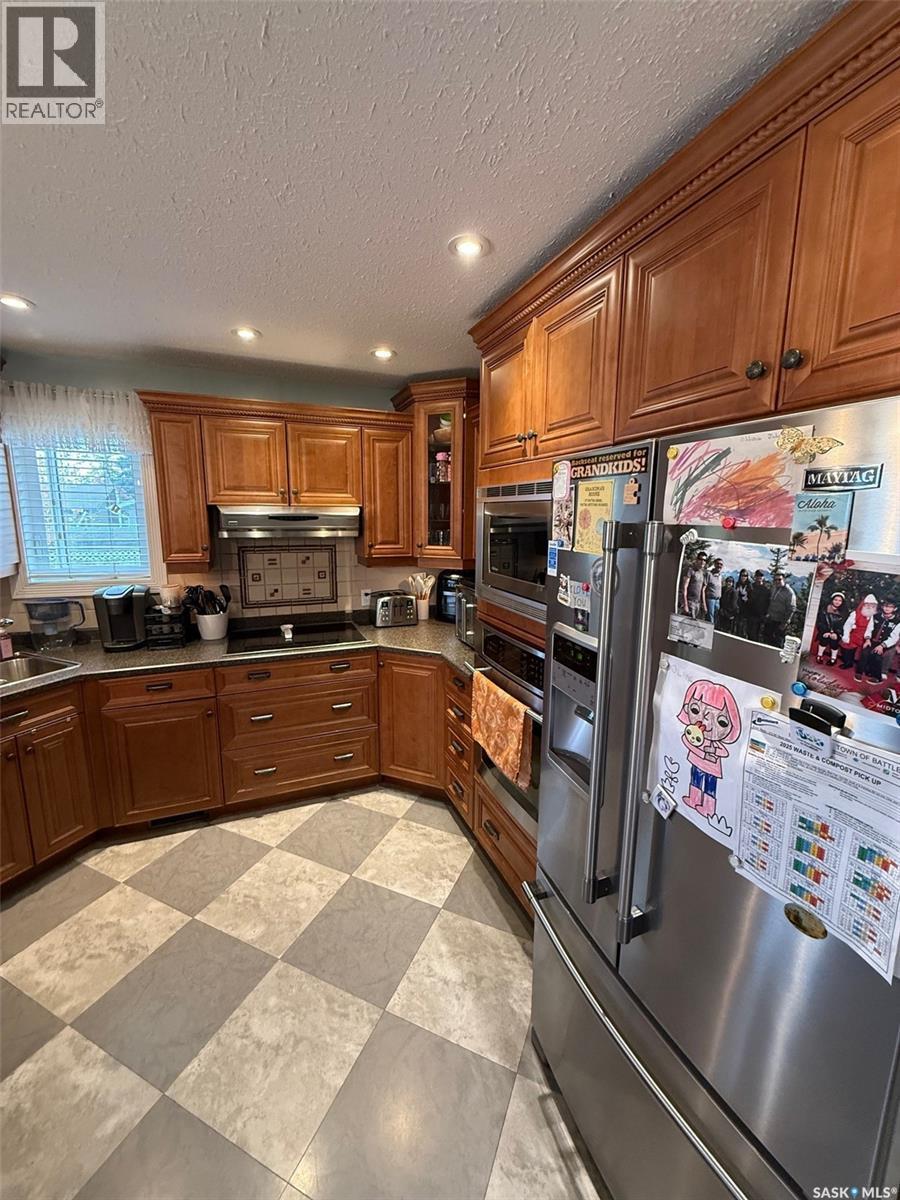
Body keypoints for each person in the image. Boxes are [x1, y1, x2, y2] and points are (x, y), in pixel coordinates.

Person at [856, 596, 900, 683]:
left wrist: (882, 646)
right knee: (865, 652)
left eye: (890, 607)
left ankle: (877, 677)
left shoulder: (897, 621)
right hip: (872, 640)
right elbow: (869, 629)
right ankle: (859, 672)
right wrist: (867, 639)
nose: (887, 608)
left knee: (877, 656)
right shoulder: (876, 616)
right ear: (882, 607)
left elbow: (894, 637)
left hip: (885, 643)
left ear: (895, 608)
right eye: (886, 606)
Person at [841, 593, 879, 673]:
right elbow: (847, 625)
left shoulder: (871, 616)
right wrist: (846, 635)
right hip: (854, 634)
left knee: (865, 650)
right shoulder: (855, 614)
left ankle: (862, 667)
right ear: (864, 604)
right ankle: (848, 663)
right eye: (867, 605)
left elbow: (870, 628)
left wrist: (867, 637)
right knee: (848, 648)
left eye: (872, 606)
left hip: (863, 636)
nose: (869, 607)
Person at [763, 572, 797, 648]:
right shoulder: (774, 588)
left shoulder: (789, 592)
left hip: (780, 622)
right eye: (775, 580)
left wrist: (785, 623)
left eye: (779, 579)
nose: (777, 581)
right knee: (767, 640)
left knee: (777, 643)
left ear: (784, 579)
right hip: (770, 619)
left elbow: (792, 608)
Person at [815, 591, 846, 665]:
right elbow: (820, 622)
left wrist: (836, 633)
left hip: (836, 632)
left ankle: (833, 658)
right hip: (825, 631)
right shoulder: (824, 610)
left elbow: (843, 625)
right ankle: (819, 655)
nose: (837, 602)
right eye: (835, 600)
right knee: (823, 639)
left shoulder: (844, 612)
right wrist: (825, 631)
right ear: (832, 600)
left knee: (834, 642)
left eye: (840, 600)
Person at [680, 552, 707, 620]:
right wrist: (685, 604)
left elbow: (702, 590)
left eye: (704, 560)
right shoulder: (690, 570)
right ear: (696, 559)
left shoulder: (702, 573)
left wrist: (703, 604)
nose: (702, 561)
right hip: (690, 603)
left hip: (698, 603)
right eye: (701, 559)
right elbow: (684, 587)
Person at [747, 570, 770, 643]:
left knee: (757, 636)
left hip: (761, 616)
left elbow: (768, 602)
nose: (759, 577)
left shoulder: (766, 589)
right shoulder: (751, 586)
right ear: (755, 577)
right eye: (757, 576)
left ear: (763, 577)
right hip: (751, 615)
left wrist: (766, 614)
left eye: (761, 576)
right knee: (749, 634)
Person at [705, 558, 724, 625]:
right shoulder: (709, 574)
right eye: (718, 564)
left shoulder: (721, 576)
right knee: (710, 619)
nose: (719, 565)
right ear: (714, 564)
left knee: (715, 618)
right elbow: (704, 588)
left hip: (718, 600)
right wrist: (703, 603)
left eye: (721, 564)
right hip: (710, 599)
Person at [734, 568, 752, 639]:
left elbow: (751, 598)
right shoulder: (738, 584)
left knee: (743, 627)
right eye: (742, 575)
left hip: (746, 609)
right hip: (738, 608)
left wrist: (747, 599)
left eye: (745, 575)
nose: (743, 577)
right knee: (737, 626)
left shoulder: (749, 585)